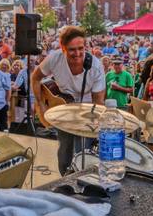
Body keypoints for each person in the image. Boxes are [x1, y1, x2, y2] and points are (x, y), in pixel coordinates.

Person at [31, 26, 105, 176]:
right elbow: (35, 77)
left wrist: (95, 126)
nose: (77, 54)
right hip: (63, 109)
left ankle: (82, 180)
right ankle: (64, 180)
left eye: (81, 48)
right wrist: (40, 104)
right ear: (63, 48)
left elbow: (98, 103)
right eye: (72, 49)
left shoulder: (95, 67)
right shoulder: (54, 58)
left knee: (82, 152)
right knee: (64, 150)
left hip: (86, 111)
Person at [0, 59, 12, 131]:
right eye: (3, 64)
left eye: (6, 65)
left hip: (2, 102)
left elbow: (8, 90)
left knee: (3, 122)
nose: (4, 66)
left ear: (8, 67)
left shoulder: (7, 76)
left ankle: (5, 136)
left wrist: (6, 102)